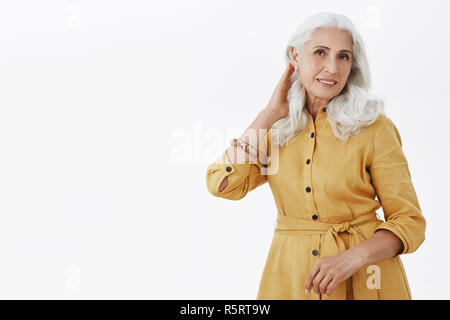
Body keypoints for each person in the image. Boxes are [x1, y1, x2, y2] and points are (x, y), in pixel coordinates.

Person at [205, 12, 426, 300]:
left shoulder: (374, 127)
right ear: (295, 57)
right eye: (320, 52)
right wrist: (269, 113)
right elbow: (222, 184)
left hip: (366, 280)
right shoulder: (275, 129)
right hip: (290, 278)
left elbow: (410, 222)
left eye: (343, 56)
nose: (332, 68)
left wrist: (352, 258)